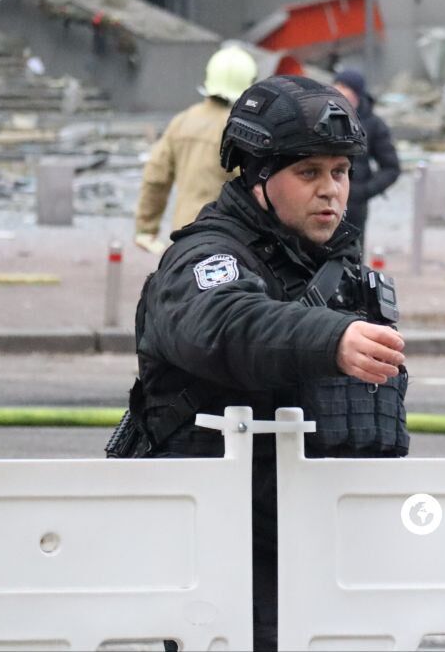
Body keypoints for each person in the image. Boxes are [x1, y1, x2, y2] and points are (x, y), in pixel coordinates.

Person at [123, 75, 409, 651]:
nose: (331, 190)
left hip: (318, 548)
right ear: (257, 179)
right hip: (215, 559)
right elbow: (225, 323)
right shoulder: (206, 257)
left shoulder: (329, 263)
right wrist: (333, 338)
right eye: (308, 173)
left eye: (340, 172)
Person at [133, 44, 259, 253]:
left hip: (184, 235)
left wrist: (146, 228)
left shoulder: (182, 121)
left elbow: (155, 177)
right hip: (232, 240)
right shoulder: (243, 130)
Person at [330, 69, 401, 256]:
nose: (339, 90)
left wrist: (363, 192)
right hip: (325, 199)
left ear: (356, 93)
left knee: (351, 258)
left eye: (344, 87)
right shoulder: (323, 117)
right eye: (337, 85)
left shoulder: (374, 124)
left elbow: (391, 168)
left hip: (354, 206)